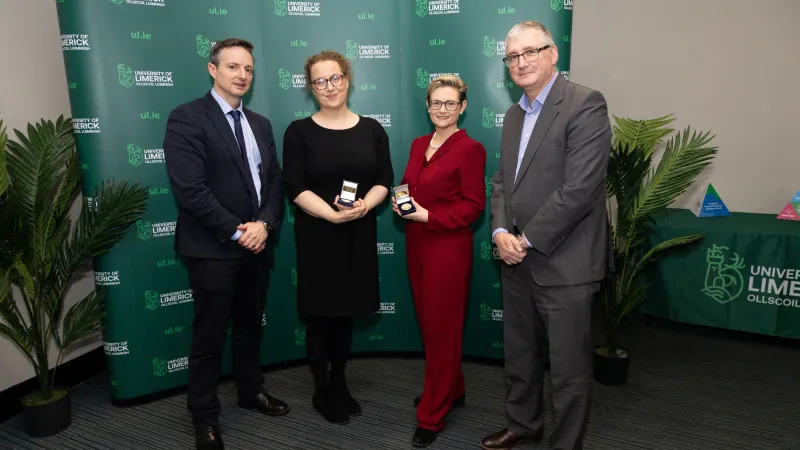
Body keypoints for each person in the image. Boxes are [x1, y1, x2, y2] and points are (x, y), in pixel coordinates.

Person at [480, 21, 612, 450]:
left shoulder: (585, 104)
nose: (521, 62)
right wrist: (500, 229)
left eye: (530, 52)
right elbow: (503, 181)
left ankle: (566, 444)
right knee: (520, 356)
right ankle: (523, 424)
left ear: (553, 54)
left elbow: (579, 190)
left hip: (565, 262)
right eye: (513, 56)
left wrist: (527, 238)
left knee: (569, 371)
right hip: (516, 259)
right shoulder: (515, 114)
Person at [163, 38, 289, 450]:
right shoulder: (186, 118)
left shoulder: (260, 124)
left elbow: (274, 182)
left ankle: (251, 391)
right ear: (212, 69)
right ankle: (204, 415)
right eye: (233, 67)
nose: (242, 75)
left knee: (250, 327)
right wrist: (240, 230)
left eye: (248, 69)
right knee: (210, 336)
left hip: (258, 245)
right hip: (214, 248)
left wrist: (265, 225)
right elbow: (191, 190)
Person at [282, 50, 394, 425]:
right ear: (310, 87)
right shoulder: (298, 131)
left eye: (335, 78)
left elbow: (384, 180)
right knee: (320, 315)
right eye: (320, 81)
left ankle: (340, 380)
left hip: (357, 233)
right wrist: (331, 214)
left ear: (347, 78)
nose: (329, 87)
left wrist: (364, 207)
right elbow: (294, 186)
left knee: (345, 313)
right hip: (318, 234)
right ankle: (321, 387)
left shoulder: (373, 129)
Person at [391, 75, 486, 448]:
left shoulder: (470, 148)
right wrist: (402, 204)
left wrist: (428, 216)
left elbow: (473, 206)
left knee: (443, 329)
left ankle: (432, 414)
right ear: (427, 106)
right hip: (415, 244)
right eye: (435, 103)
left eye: (450, 103)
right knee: (432, 327)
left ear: (462, 107)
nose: (441, 110)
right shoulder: (418, 144)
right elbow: (407, 184)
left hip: (447, 247)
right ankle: (453, 388)